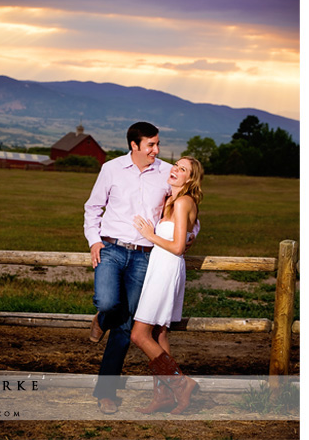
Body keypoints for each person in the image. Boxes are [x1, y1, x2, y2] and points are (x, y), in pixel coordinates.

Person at [83, 121, 198, 414]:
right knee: (108, 302)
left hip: (146, 258)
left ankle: (106, 392)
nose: (156, 151)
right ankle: (102, 317)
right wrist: (94, 241)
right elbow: (93, 208)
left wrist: (186, 238)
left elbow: (191, 218)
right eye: (150, 145)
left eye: (157, 144)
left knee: (125, 326)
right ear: (134, 145)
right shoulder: (111, 169)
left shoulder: (167, 172)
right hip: (110, 249)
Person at [130, 156, 203, 415]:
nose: (175, 170)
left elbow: (178, 246)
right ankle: (163, 397)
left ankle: (181, 384)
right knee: (159, 333)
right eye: (176, 165)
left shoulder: (183, 201)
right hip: (159, 267)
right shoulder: (171, 201)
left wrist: (150, 236)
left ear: (190, 179)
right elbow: (191, 232)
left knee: (139, 335)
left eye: (183, 170)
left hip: (166, 269)